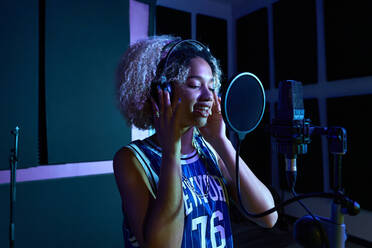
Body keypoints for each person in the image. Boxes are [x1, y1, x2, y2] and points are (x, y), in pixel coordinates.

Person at [113, 35, 278, 248]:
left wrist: (221, 141)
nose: (208, 96)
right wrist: (171, 151)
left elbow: (268, 217)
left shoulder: (209, 149)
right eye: (194, 85)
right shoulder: (132, 159)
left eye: (211, 86)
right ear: (163, 92)